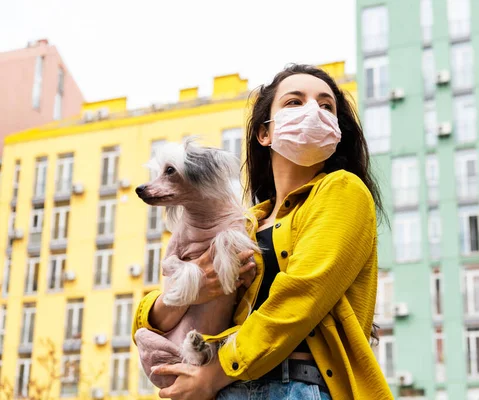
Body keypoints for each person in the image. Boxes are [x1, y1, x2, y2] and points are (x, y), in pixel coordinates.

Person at [131, 64, 394, 400]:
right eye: (294, 102)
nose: (313, 110)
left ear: (338, 130)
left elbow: (299, 298)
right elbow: (147, 321)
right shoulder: (245, 221)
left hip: (295, 387)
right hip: (228, 389)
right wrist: (188, 289)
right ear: (263, 133)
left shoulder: (343, 191)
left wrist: (213, 374)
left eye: (326, 106)